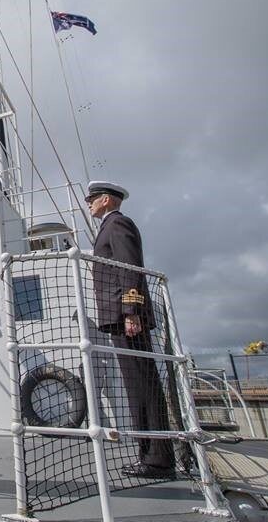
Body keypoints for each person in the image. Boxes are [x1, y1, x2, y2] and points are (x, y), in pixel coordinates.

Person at [87, 181, 175, 479]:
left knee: (142, 386)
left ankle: (157, 460)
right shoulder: (109, 226)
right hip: (120, 317)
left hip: (127, 319)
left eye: (92, 199)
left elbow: (129, 268)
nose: (88, 204)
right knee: (137, 386)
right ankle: (151, 455)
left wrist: (131, 312)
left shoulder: (118, 223)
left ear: (107, 200)